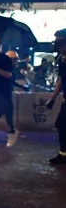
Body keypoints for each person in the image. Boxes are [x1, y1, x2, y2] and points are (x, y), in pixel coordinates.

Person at [45, 29, 66, 165]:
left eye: (60, 41)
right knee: (61, 124)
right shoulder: (62, 59)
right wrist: (52, 98)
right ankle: (63, 154)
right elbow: (61, 79)